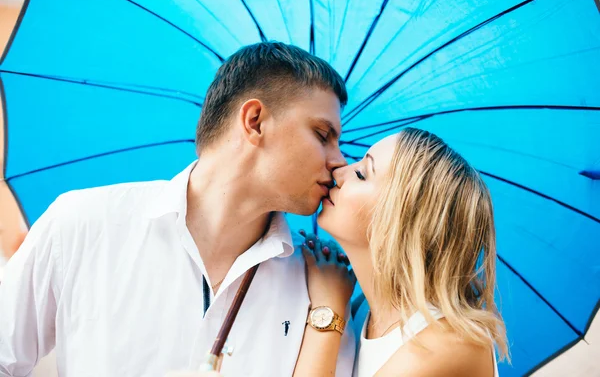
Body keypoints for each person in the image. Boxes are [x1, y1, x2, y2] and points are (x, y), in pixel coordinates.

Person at [0, 42, 356, 376]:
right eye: (322, 135)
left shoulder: (323, 285)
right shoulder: (82, 224)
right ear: (255, 121)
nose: (339, 162)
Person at [295, 128, 509, 376]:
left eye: (362, 174)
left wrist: (327, 307)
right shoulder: (361, 312)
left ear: (405, 220)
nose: (340, 172)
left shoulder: (450, 341)